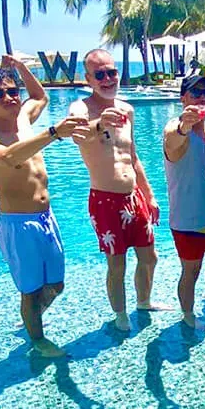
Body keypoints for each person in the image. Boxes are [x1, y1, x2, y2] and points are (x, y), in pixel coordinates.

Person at [0, 55, 87, 358]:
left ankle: (30, 317)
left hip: (46, 218)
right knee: (31, 290)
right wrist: (52, 134)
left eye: (12, 90)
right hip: (18, 224)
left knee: (56, 285)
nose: (9, 97)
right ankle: (38, 339)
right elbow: (10, 157)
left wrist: (21, 68)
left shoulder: (23, 120)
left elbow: (40, 96)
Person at [68, 49, 168, 331]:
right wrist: (100, 124)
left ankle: (144, 301)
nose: (108, 78)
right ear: (88, 79)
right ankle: (120, 314)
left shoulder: (127, 110)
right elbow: (77, 134)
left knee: (150, 257)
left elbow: (133, 156)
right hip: (105, 200)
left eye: (112, 72)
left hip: (133, 197)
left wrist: (149, 196)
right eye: (99, 74)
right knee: (117, 263)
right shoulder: (81, 109)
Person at [163, 74, 205, 328]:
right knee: (190, 271)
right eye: (196, 93)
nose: (204, 98)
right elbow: (173, 141)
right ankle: (188, 315)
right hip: (187, 220)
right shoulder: (175, 129)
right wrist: (184, 125)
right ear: (183, 98)